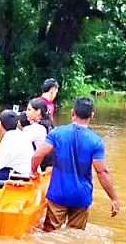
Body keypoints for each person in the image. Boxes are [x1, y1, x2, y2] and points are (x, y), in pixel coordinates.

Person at [31, 95, 119, 230]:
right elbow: (102, 172)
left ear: (72, 112)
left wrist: (33, 171)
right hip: (81, 197)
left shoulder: (57, 133)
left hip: (58, 194)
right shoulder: (96, 141)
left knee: (50, 234)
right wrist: (113, 198)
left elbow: (38, 155)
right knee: (75, 236)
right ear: (92, 115)